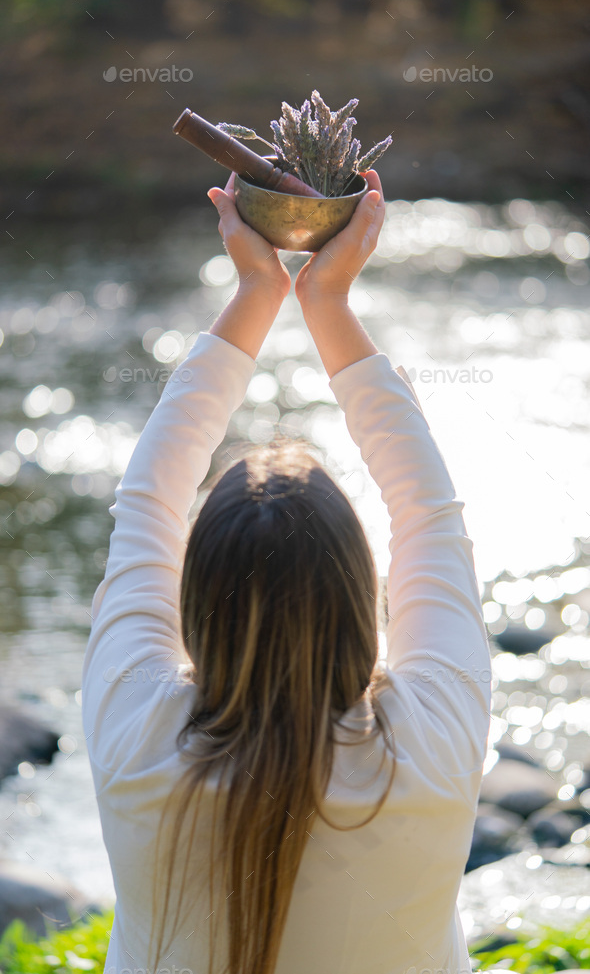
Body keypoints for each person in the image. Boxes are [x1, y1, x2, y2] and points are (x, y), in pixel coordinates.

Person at [82, 169, 492, 974]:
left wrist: (256, 293)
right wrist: (327, 303)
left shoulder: (136, 736)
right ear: (356, 594)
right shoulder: (434, 745)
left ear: (196, 603)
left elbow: (146, 507)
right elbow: (429, 515)